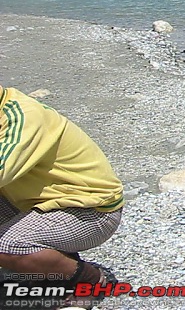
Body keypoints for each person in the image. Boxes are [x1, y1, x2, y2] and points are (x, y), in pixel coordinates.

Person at [0, 86, 123, 308]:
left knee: (5, 246)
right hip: (35, 200)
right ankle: (49, 261)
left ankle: (88, 278)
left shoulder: (20, 116)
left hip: (90, 211)